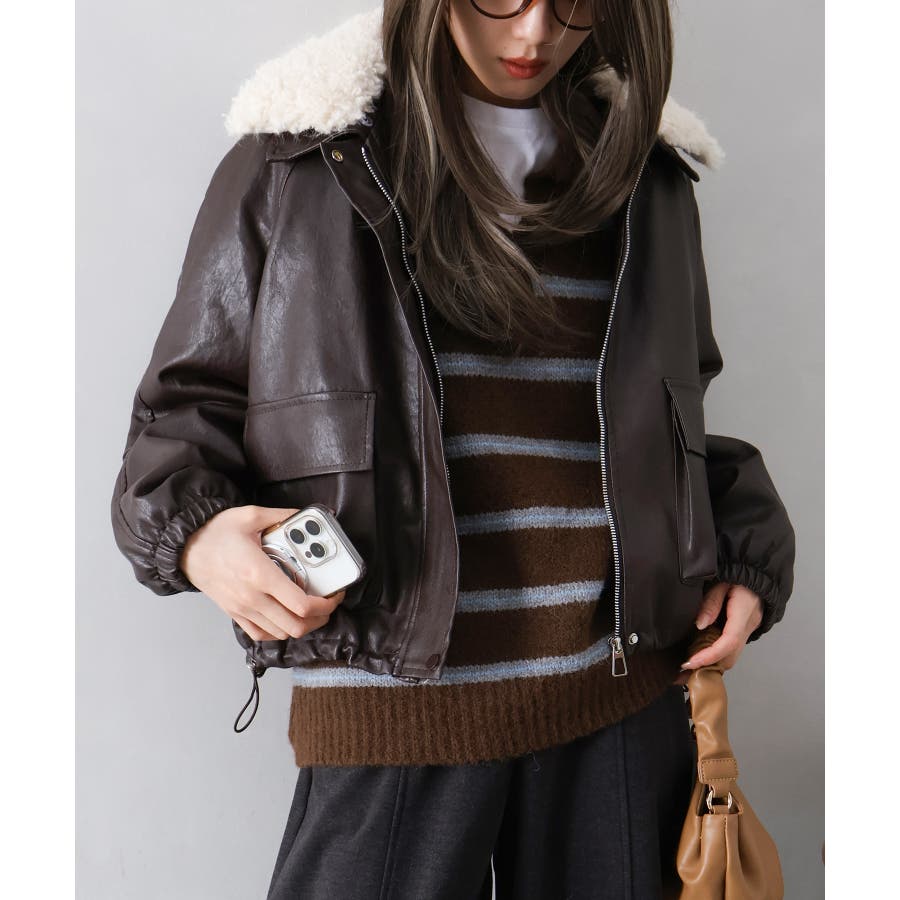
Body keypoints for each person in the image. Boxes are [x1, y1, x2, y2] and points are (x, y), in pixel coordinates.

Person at [110, 2, 796, 897]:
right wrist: (199, 539)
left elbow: (677, 417)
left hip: (621, 702)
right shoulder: (302, 157)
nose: (536, 33)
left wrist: (744, 556)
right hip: (393, 707)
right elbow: (179, 417)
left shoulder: (649, 178)